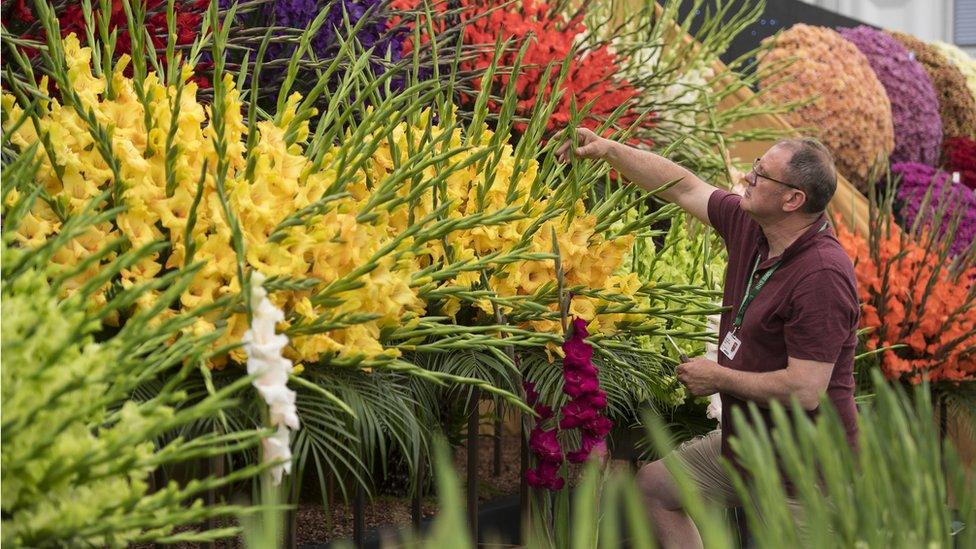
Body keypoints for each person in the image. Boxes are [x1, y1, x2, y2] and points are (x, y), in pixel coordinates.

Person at [556, 128, 860, 548]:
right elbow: (683, 187)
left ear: (793, 200)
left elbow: (806, 390)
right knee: (655, 489)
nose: (748, 178)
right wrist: (608, 150)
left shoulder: (822, 275)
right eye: (756, 167)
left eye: (762, 175)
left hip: (803, 472)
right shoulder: (753, 228)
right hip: (747, 445)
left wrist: (718, 378)